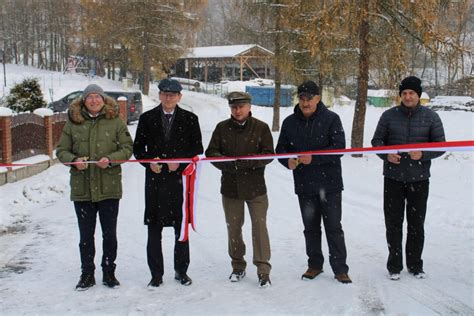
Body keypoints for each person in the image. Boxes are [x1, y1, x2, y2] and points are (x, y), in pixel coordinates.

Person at [56, 84, 133, 290]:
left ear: (103, 99)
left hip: (109, 187)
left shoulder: (114, 120)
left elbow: (127, 148)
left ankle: (109, 272)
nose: (93, 101)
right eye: (89, 97)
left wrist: (111, 158)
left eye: (97, 97)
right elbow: (61, 150)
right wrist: (73, 160)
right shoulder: (73, 122)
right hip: (83, 189)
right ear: (83, 100)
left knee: (109, 234)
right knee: (85, 236)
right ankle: (87, 274)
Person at [275, 80, 352, 284]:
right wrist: (287, 161)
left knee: (333, 227)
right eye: (301, 98)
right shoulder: (290, 122)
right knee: (310, 227)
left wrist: (315, 158)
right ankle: (314, 265)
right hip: (305, 185)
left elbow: (339, 148)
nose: (305, 102)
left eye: (309, 98)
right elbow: (281, 149)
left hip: (330, 185)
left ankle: (340, 268)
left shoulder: (332, 119)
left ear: (318, 98)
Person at [371, 76, 445, 281]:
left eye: (411, 93)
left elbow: (440, 145)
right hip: (393, 178)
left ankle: (415, 265)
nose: (408, 96)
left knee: (416, 223)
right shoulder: (388, 116)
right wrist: (386, 155)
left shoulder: (431, 117)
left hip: (419, 179)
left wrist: (423, 154)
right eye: (404, 93)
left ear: (418, 95)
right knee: (393, 223)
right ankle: (394, 265)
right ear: (400, 96)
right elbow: (376, 141)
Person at [133, 78, 203, 288]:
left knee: (180, 228)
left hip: (179, 182)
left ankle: (181, 271)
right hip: (155, 182)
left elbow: (197, 150)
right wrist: (148, 164)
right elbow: (138, 149)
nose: (169, 97)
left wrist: (180, 165)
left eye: (173, 94)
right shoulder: (147, 118)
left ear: (180, 97)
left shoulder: (190, 119)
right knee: (153, 229)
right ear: (159, 95)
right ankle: (156, 274)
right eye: (165, 94)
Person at [205, 91, 274, 288]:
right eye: (234, 107)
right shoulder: (222, 128)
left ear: (249, 107)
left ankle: (263, 269)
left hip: (256, 188)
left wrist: (246, 163)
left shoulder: (261, 128)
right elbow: (211, 153)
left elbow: (269, 154)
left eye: (241, 106)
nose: (237, 110)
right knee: (234, 228)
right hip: (230, 187)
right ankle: (237, 265)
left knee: (259, 227)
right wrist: (230, 165)